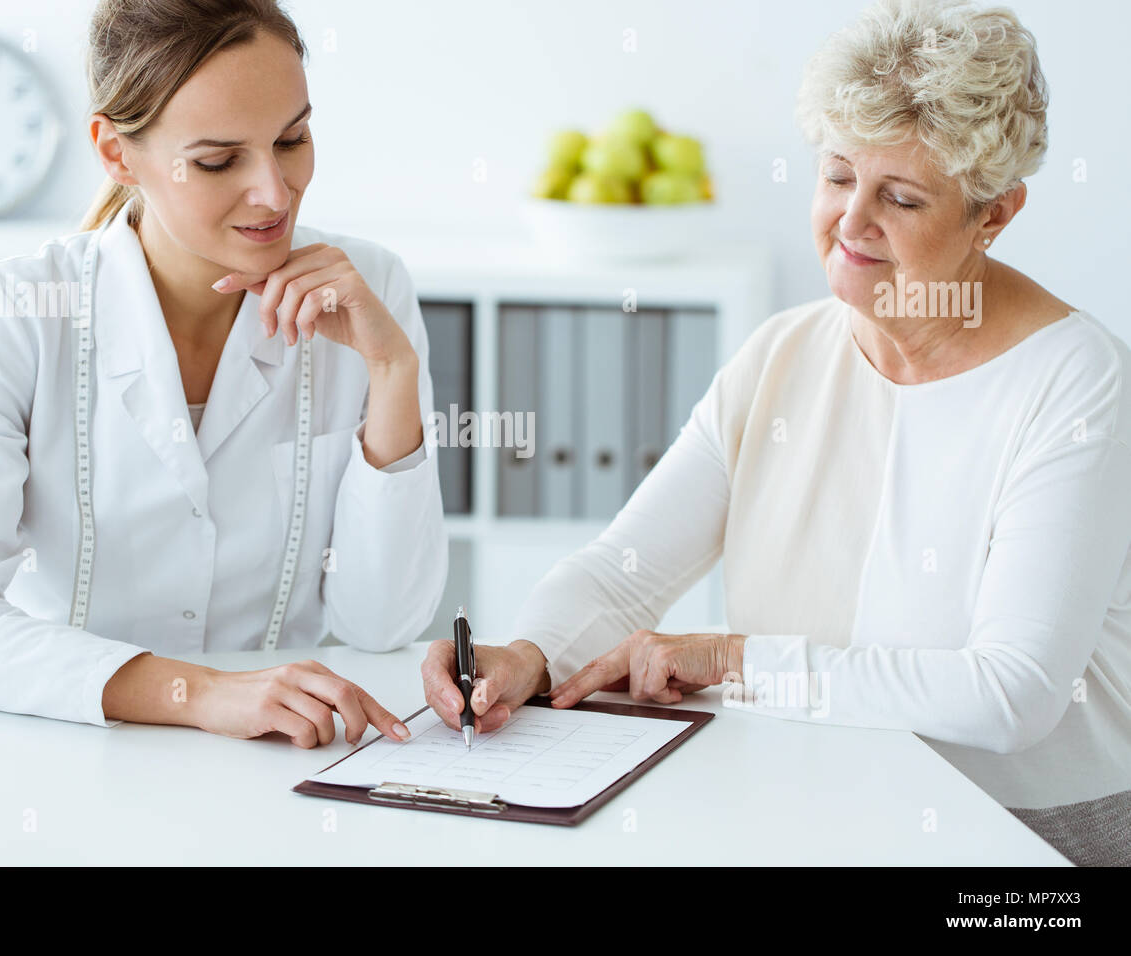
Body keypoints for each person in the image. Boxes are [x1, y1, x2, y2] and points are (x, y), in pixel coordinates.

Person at [421, 0, 1131, 865]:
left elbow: (1012, 695)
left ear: (995, 215)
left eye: (900, 198)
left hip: (1029, 843)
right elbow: (623, 574)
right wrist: (529, 655)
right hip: (814, 804)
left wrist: (729, 657)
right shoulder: (784, 355)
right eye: (838, 176)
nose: (852, 221)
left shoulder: (1076, 382)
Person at [0, 0, 447, 748]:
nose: (275, 193)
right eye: (219, 160)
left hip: (288, 760)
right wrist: (201, 694)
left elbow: (383, 626)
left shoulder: (368, 285)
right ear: (118, 154)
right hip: (65, 750)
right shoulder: (21, 307)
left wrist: (392, 369)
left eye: (292, 139)